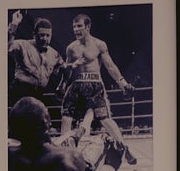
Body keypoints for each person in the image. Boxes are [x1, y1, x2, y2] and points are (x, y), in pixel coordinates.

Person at [59, 14, 137, 163]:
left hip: (94, 85)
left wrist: (123, 83)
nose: (76, 29)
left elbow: (110, 66)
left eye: (79, 26)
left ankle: (125, 148)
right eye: (74, 26)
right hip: (76, 86)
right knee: (66, 118)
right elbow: (66, 70)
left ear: (88, 27)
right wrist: (69, 71)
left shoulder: (99, 45)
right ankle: (64, 156)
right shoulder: (71, 48)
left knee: (105, 119)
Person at [7, 13, 61, 105]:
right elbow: (8, 47)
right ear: (34, 35)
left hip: (39, 93)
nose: (45, 39)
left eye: (48, 35)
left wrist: (62, 86)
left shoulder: (54, 53)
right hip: (21, 91)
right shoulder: (22, 45)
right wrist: (14, 24)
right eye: (42, 35)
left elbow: (64, 68)